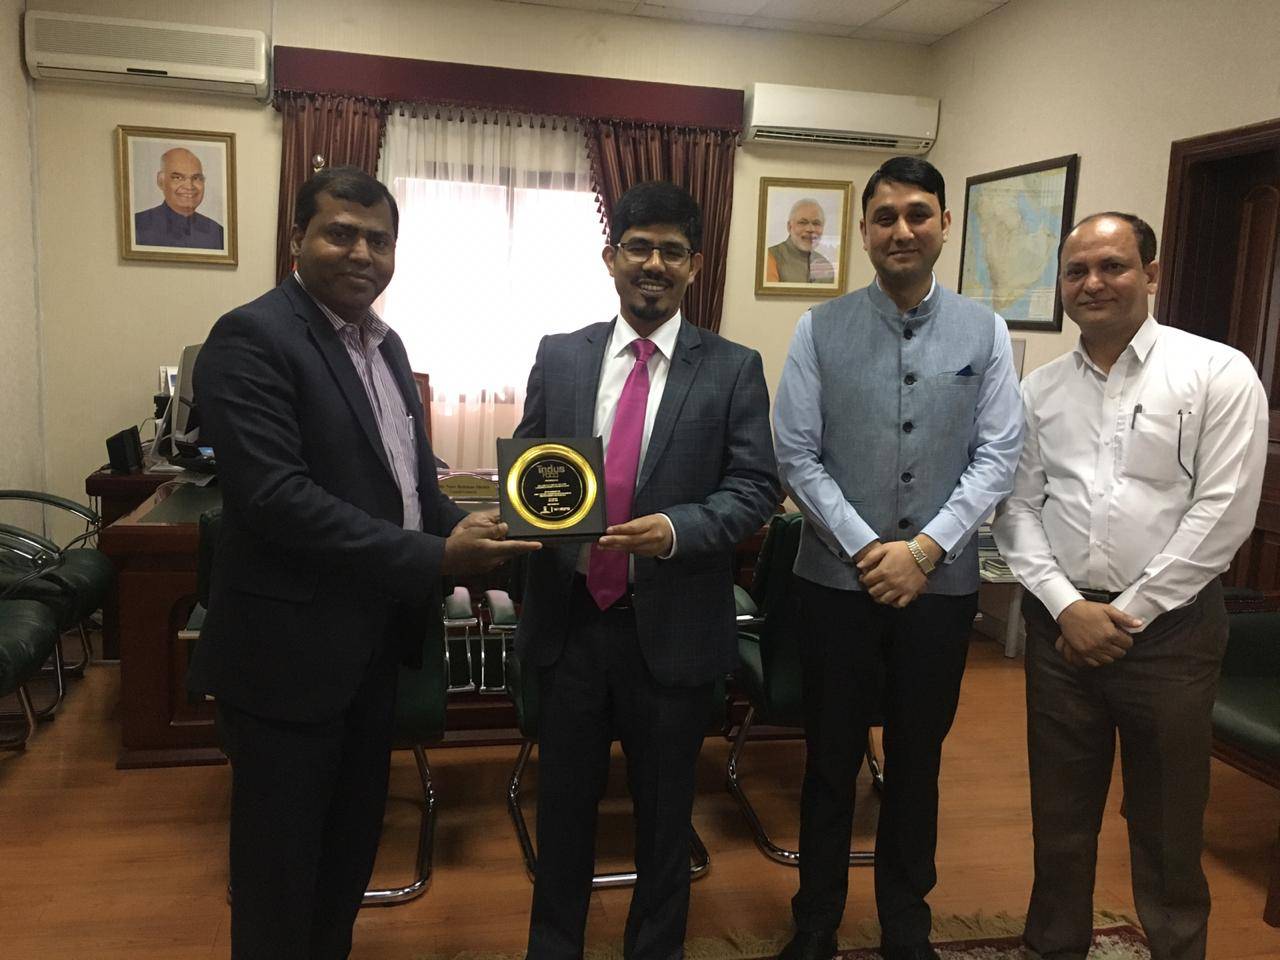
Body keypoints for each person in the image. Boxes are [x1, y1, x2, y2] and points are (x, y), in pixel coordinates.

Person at [189, 165, 539, 960]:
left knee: (346, 857)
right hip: (287, 661)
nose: (362, 253)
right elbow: (280, 500)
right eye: (340, 233)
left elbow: (412, 490)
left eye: (378, 239)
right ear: (297, 240)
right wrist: (435, 553)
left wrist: (473, 528)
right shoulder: (252, 337)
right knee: (279, 878)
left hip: (375, 651)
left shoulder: (386, 346)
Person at [514, 180, 781, 960]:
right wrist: (524, 513)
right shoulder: (560, 356)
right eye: (639, 248)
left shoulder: (732, 368)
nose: (653, 264)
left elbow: (757, 487)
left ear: (694, 265)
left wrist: (673, 529)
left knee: (666, 823)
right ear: (612, 258)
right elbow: (534, 464)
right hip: (570, 627)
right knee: (562, 816)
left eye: (672, 251)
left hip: (671, 634)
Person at [993, 212, 1268, 960]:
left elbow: (1224, 512)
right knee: (1060, 817)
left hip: (1171, 635)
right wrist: (1066, 606)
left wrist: (1128, 613)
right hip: (1061, 631)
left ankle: (1178, 949)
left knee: (1168, 823)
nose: (1093, 283)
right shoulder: (1039, 390)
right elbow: (1017, 508)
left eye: (1112, 266)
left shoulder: (1217, 372)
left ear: (1151, 274)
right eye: (1077, 270)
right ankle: (1053, 947)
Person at [772, 155, 1023, 960]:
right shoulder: (818, 327)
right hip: (832, 588)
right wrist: (869, 548)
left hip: (940, 589)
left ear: (946, 224)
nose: (902, 230)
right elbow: (797, 456)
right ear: (865, 231)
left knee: (918, 763)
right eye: (885, 217)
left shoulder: (985, 332)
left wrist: (922, 550)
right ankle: (814, 923)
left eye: (919, 214)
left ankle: (906, 927)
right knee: (829, 761)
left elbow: (999, 454)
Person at [134, 147, 225, 249]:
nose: (189, 186)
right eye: (178, 178)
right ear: (161, 181)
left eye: (196, 178)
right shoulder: (136, 226)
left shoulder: (217, 233)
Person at [766, 198, 835, 283]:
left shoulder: (825, 266)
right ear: (789, 227)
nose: (810, 229)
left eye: (816, 223)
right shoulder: (771, 258)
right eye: (803, 222)